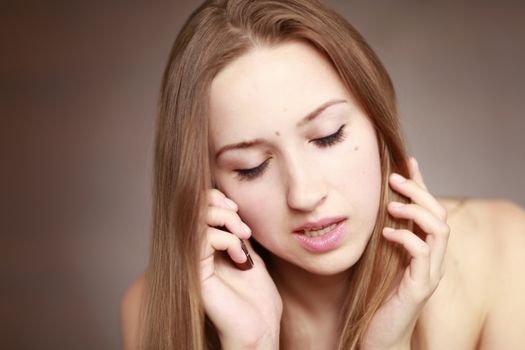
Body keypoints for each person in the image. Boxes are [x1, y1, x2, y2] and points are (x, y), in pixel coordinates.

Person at [120, 0, 525, 349]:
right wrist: (251, 343)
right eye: (252, 167)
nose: (305, 194)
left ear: (376, 121)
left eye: (329, 136)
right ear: (210, 185)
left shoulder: (502, 251)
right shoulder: (153, 308)